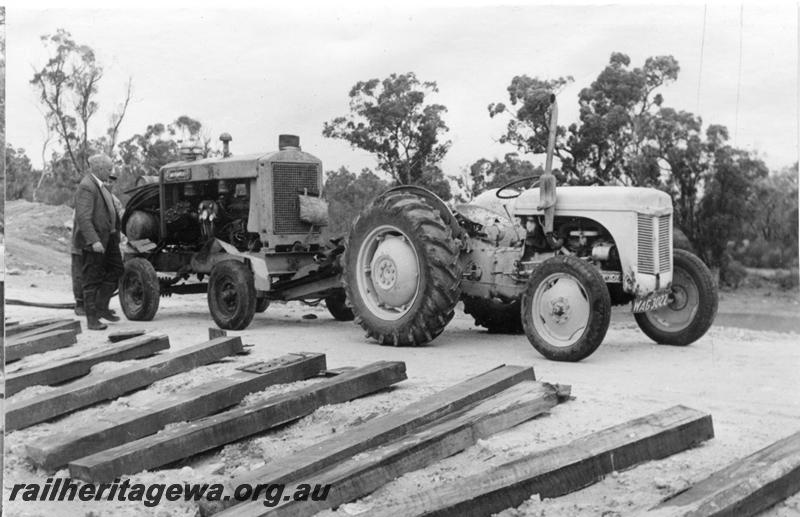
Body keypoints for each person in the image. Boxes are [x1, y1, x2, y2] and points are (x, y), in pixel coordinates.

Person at [71, 154, 124, 330]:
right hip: (95, 241)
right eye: (109, 169)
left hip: (108, 239)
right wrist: (93, 241)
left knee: (117, 269)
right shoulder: (87, 187)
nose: (111, 172)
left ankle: (102, 307)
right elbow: (83, 218)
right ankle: (92, 319)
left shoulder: (100, 186)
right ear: (99, 169)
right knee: (91, 279)